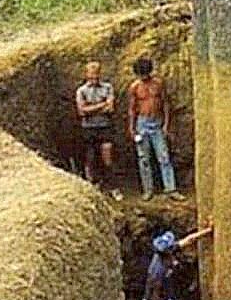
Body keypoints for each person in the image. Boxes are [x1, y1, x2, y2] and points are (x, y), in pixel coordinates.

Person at [128, 56, 185, 202]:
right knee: (144, 159)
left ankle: (171, 189)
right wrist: (132, 128)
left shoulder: (158, 84)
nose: (144, 77)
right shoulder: (135, 87)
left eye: (145, 74)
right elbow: (132, 109)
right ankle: (148, 190)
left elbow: (165, 103)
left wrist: (166, 124)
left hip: (156, 123)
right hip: (142, 123)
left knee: (164, 157)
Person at [75, 61, 122, 201]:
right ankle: (93, 188)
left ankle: (114, 188)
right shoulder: (81, 90)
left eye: (96, 74)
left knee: (107, 158)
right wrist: (102, 105)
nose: (94, 77)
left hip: (105, 127)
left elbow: (111, 108)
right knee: (90, 158)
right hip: (88, 129)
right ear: (86, 74)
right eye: (91, 75)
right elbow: (82, 111)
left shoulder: (107, 87)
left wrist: (91, 108)